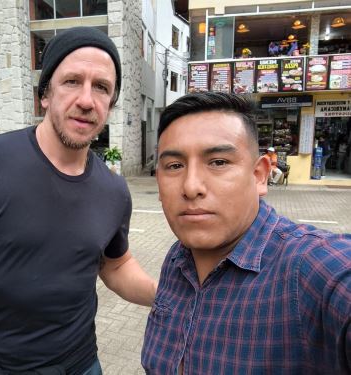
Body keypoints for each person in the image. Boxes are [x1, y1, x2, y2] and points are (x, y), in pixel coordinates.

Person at [0, 27, 157, 375]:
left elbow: (115, 265)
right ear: (45, 95)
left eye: (101, 87)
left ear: (110, 105)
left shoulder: (113, 191)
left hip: (79, 365)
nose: (86, 99)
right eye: (72, 81)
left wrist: (168, 296)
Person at [141, 92, 351, 374]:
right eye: (175, 166)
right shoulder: (177, 259)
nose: (191, 187)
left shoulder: (309, 271)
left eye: (218, 162)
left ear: (260, 175)